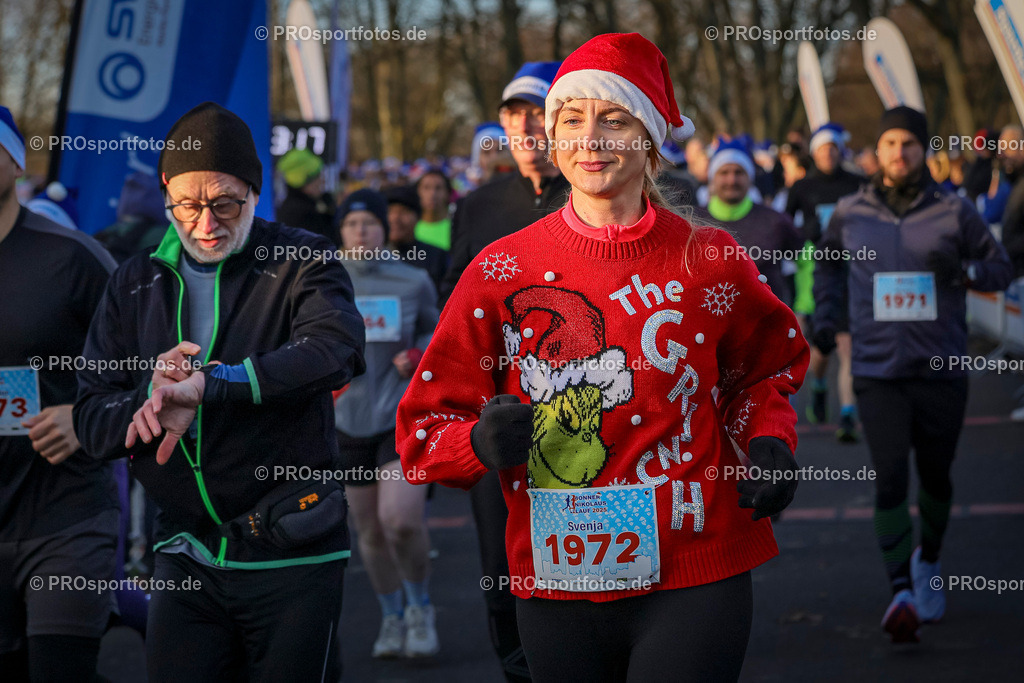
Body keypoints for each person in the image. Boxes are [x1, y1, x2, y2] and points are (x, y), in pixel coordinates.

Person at [397, 33, 808, 681]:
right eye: (572, 119)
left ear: (649, 139)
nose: (591, 138)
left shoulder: (711, 259)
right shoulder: (499, 269)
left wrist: (768, 439)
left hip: (695, 567)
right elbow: (421, 430)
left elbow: (766, 369)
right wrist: (478, 442)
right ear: (554, 139)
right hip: (559, 581)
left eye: (614, 119)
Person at [73, 102, 366, 680]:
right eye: (186, 205)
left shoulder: (301, 258)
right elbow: (91, 418)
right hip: (185, 552)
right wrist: (148, 400)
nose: (205, 224)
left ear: (255, 194)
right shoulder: (134, 281)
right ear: (164, 195)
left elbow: (336, 350)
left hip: (293, 547)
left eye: (225, 204)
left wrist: (213, 385)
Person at [813, 106, 1012, 643]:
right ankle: (900, 587)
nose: (899, 152)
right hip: (878, 371)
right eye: (890, 142)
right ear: (876, 151)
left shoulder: (954, 211)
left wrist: (966, 273)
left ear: (923, 150)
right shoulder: (851, 212)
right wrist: (824, 316)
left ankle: (930, 560)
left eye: (909, 143)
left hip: (941, 368)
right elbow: (828, 265)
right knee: (890, 478)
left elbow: (1001, 267)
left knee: (938, 476)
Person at [438, 59, 567, 683]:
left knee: (588, 569)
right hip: (502, 422)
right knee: (502, 568)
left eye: (538, 110)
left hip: (588, 420)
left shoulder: (592, 196)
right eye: (514, 112)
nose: (526, 124)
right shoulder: (479, 207)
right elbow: (451, 309)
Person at [0, 105, 120, 682]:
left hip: (65, 516)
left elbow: (154, 363)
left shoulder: (71, 256)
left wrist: (85, 416)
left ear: (15, 161)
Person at [331, 189, 441, 659]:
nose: (362, 232)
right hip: (346, 421)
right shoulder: (323, 280)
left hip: (399, 418)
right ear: (341, 231)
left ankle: (421, 609)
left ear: (384, 229)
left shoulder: (413, 280)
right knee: (370, 531)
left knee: (399, 521)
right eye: (353, 223)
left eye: (370, 224)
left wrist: (419, 354)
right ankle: (392, 617)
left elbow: (439, 333)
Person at [786, 122, 864, 441]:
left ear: (840, 151)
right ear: (814, 153)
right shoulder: (803, 187)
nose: (828, 154)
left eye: (833, 148)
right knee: (824, 344)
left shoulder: (858, 183)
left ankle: (847, 414)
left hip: (853, 269)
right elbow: (785, 225)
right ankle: (818, 386)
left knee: (849, 345)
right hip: (816, 272)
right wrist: (804, 233)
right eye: (822, 149)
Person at [696, 141, 804, 307]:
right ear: (712, 177)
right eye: (724, 172)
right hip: (710, 328)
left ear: (750, 177)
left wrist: (803, 307)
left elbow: (807, 260)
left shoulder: (774, 221)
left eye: (739, 172)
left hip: (768, 325)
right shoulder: (692, 222)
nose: (732, 180)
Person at [384, 185, 449, 290]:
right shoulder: (370, 257)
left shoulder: (437, 258)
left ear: (418, 217)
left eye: (403, 211)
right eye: (389, 211)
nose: (395, 218)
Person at [275, 147, 336, 242]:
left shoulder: (291, 207)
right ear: (306, 182)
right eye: (318, 176)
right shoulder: (303, 214)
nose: (323, 181)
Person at [414, 169, 453, 251]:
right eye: (426, 188)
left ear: (448, 193)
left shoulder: (458, 227)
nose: (432, 194)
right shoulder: (409, 227)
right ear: (418, 192)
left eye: (438, 188)